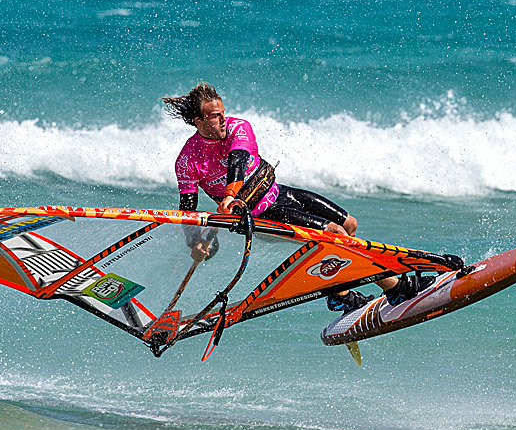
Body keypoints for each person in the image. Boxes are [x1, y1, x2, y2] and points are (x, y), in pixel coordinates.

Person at [162, 82, 435, 314]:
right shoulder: (188, 160)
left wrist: (229, 195)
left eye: (223, 112)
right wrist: (194, 242)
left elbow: (238, 160)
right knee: (335, 234)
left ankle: (339, 295)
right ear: (198, 121)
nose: (223, 119)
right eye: (214, 116)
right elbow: (188, 209)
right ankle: (396, 289)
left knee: (349, 224)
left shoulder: (238, 127)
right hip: (259, 216)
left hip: (279, 193)